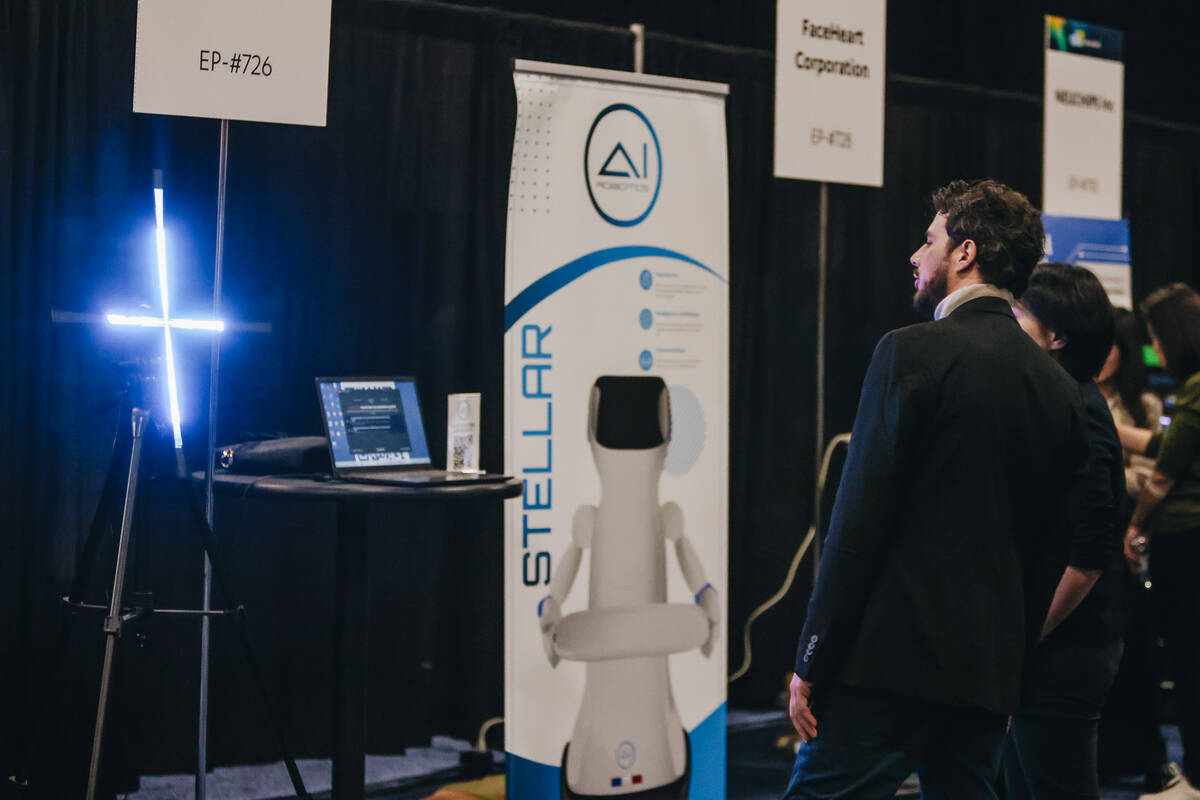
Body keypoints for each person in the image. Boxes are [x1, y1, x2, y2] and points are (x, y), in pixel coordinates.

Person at [783, 180, 1087, 800]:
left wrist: (812, 657)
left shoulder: (909, 352)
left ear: (965, 253)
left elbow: (857, 523)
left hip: (882, 668)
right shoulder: (1061, 390)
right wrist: (1012, 677)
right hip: (985, 676)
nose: (916, 256)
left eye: (929, 240)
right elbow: (1050, 550)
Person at [1003, 263, 1125, 800]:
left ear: (1056, 337)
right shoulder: (1058, 399)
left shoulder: (1082, 409)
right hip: (1046, 645)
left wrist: (1023, 640)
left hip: (1065, 649)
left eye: (1019, 316)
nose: (1007, 327)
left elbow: (1090, 555)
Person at [1113, 283, 1200, 800]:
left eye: (1156, 339)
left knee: (1188, 660)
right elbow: (1167, 443)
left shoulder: (1193, 389)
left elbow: (1164, 473)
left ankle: (1192, 778)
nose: (1154, 350)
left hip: (1184, 541)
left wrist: (1136, 526)